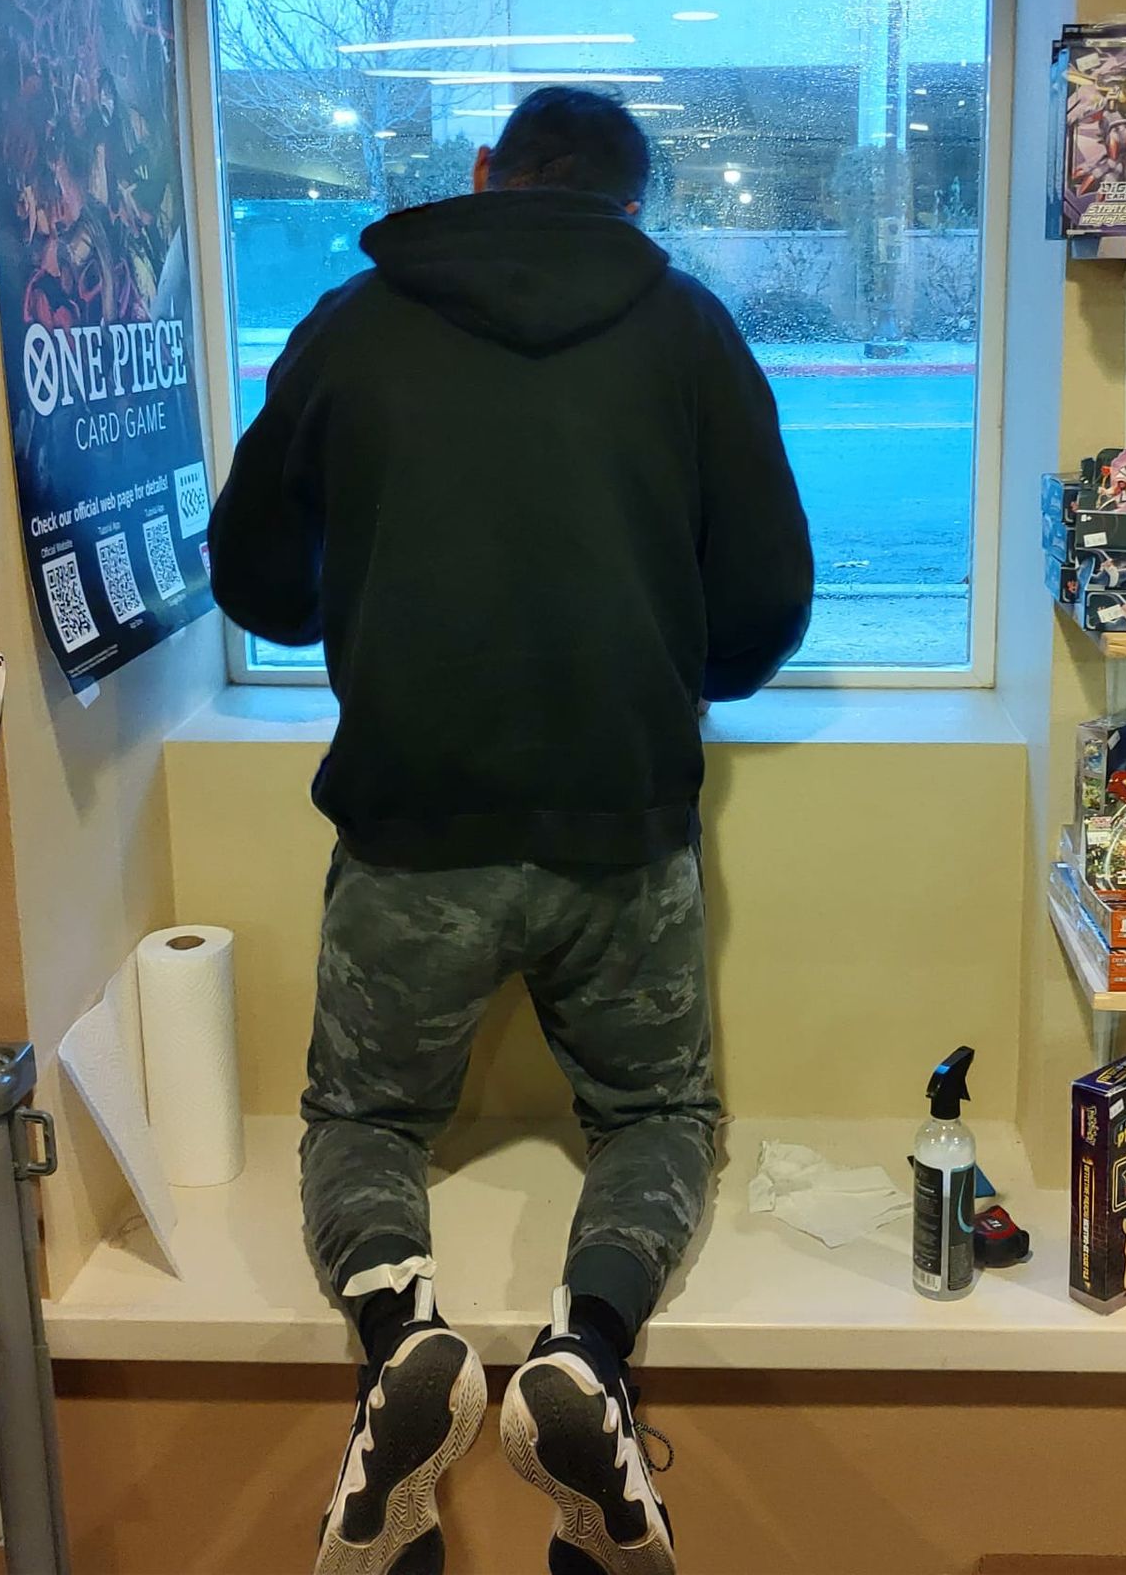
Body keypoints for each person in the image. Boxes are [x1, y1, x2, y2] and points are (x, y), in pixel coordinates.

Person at [208, 86, 813, 1575]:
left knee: (365, 1119)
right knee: (656, 1117)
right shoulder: (688, 330)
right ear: (632, 202)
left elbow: (256, 585)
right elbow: (764, 610)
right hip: (626, 824)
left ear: (483, 175)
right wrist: (674, 663)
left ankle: (400, 1330)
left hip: (412, 829)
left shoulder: (353, 324)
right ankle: (587, 1354)